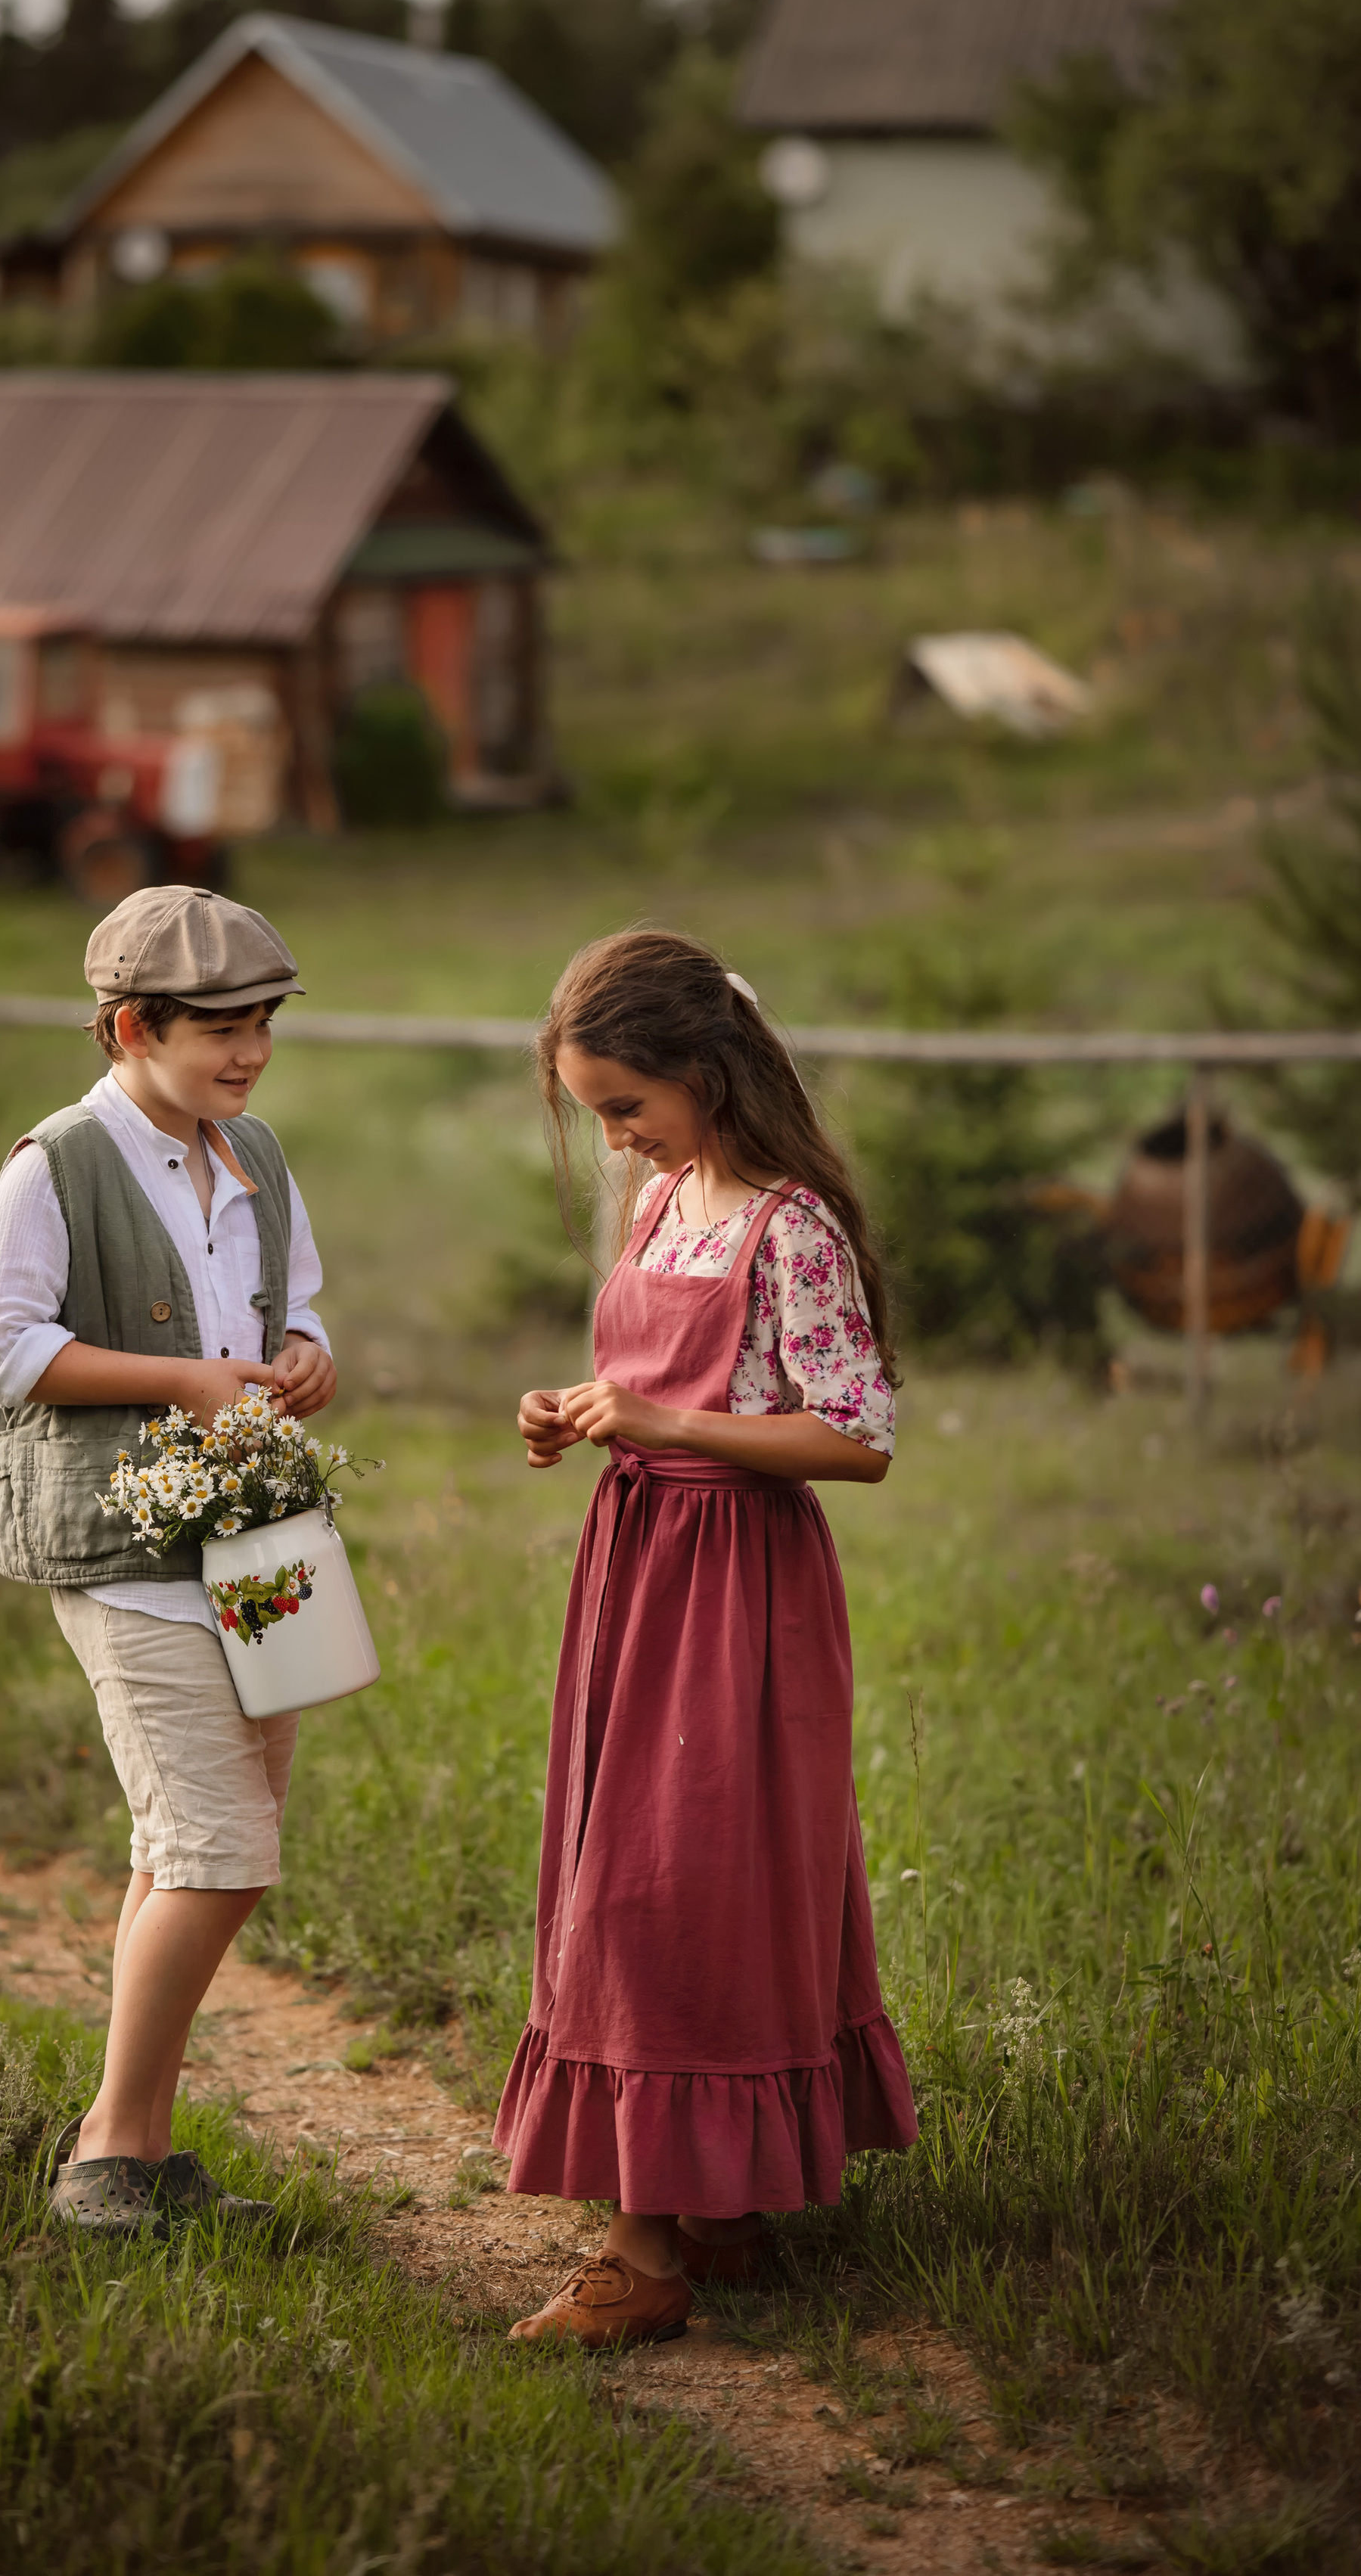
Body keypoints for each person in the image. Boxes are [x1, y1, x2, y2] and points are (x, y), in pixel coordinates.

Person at [498, 928, 918, 2348]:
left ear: (706, 1068)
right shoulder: (663, 1203)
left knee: (677, 1887)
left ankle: (646, 2255)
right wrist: (577, 1409)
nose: (613, 1136)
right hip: (639, 1569)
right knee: (640, 1868)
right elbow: (657, 1377)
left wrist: (669, 1422)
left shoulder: (786, 1224)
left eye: (625, 1105)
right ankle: (718, 2204)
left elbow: (855, 1436)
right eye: (598, 1113)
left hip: (738, 1590)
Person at [0, 886, 337, 2240]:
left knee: (198, 1842)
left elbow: (304, 1317)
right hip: (128, 1551)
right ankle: (109, 2158)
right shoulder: (55, 1164)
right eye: (219, 1031)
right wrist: (180, 1379)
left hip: (269, 1543)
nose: (248, 1055)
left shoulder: (258, 1155)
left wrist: (305, 1361)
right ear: (131, 1025)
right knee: (221, 1857)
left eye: (263, 1027)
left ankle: (148, 2156)